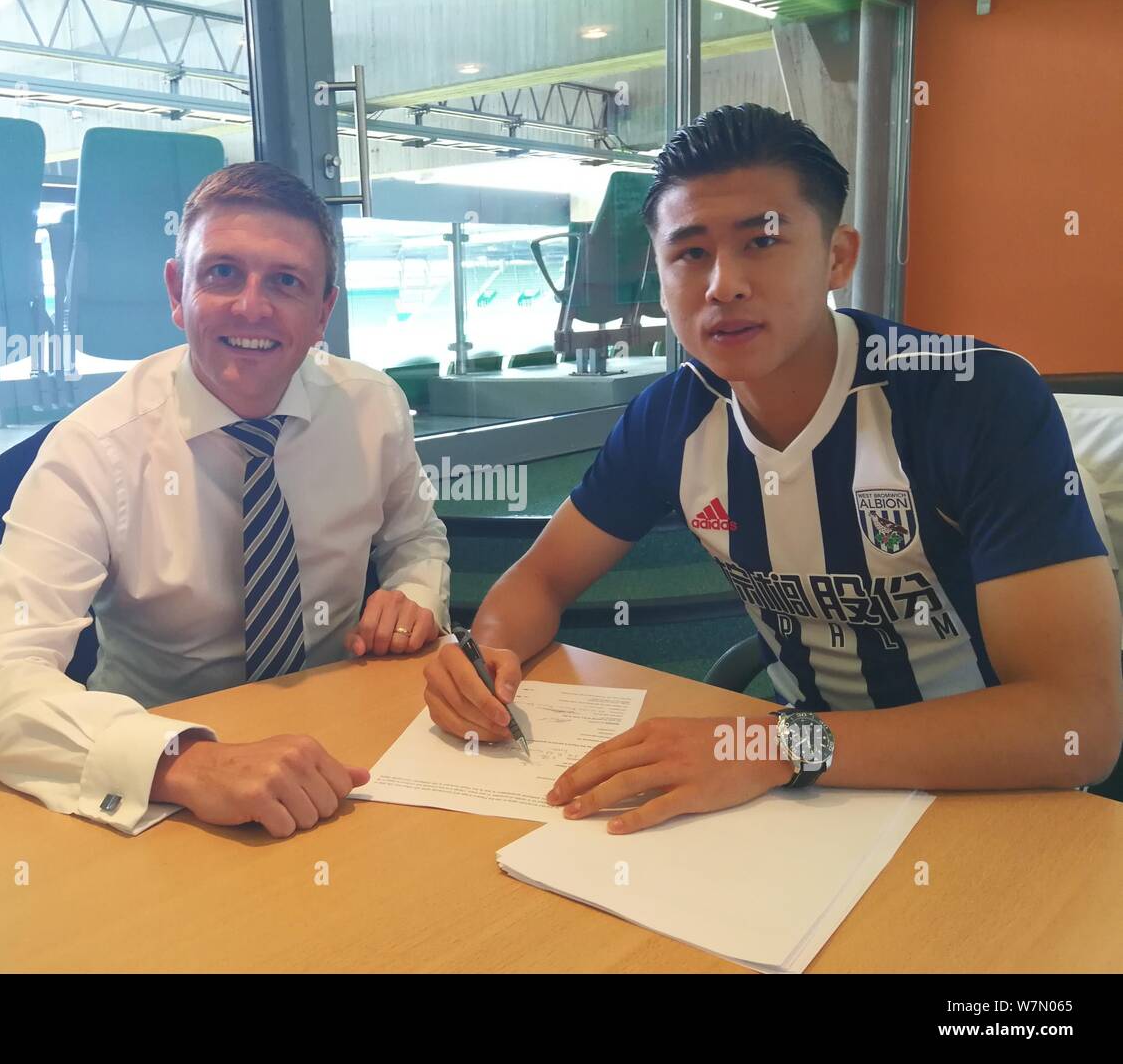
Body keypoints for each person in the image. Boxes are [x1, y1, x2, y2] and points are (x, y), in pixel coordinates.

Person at [422, 104, 1122, 833]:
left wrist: (774, 742)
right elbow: (540, 579)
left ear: (837, 257)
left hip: (990, 796)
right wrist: (485, 654)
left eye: (762, 241)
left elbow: (1078, 721)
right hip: (797, 791)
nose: (723, 284)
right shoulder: (671, 418)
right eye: (689, 254)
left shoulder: (971, 399)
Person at [0, 162, 450, 837]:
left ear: (323, 312)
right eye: (221, 273)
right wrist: (184, 762)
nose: (251, 305)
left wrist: (415, 591)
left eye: (286, 281)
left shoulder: (372, 408)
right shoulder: (93, 448)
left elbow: (417, 540)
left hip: (342, 756)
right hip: (162, 794)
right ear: (176, 291)